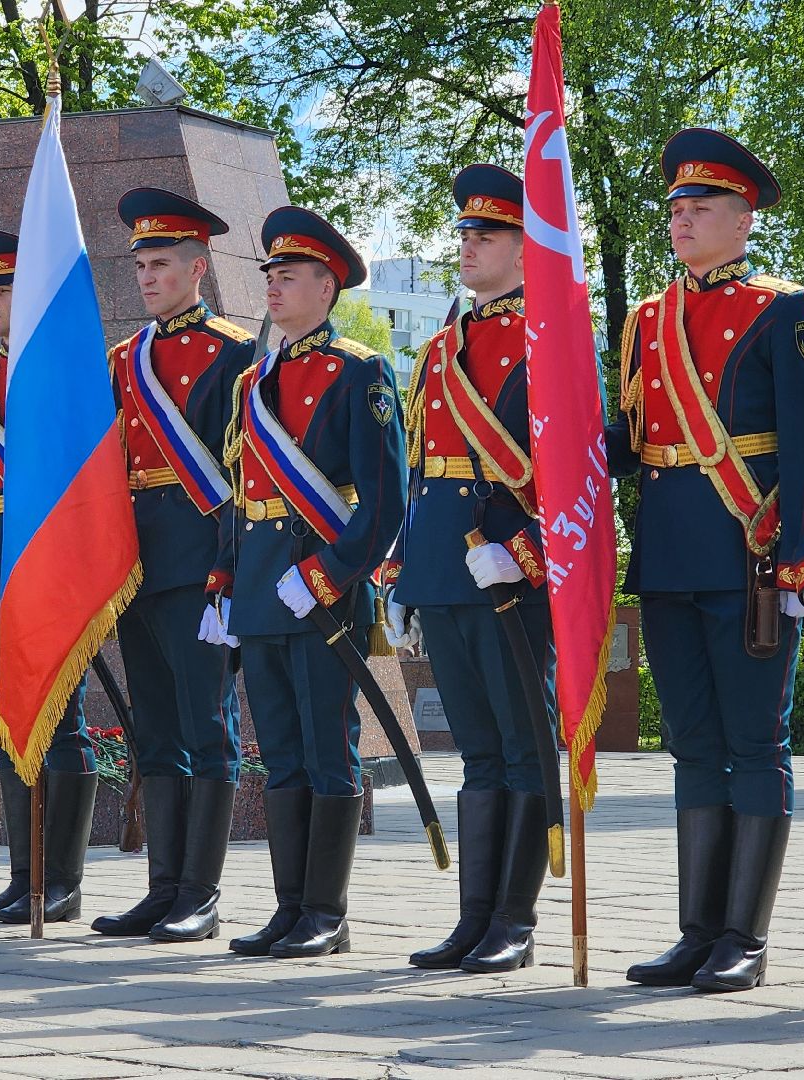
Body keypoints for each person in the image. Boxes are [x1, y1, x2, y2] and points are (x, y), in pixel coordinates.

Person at [605, 129, 804, 993]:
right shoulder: (649, 320)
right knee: (691, 745)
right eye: (676, 209)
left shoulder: (785, 310)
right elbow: (639, 438)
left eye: (702, 208)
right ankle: (697, 931)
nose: (683, 220)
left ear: (744, 221)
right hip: (665, 556)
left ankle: (746, 936)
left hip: (750, 555)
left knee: (753, 741)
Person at [207, 206, 405, 959]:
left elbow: (382, 500)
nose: (275, 289)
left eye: (289, 277)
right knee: (279, 752)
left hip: (321, 591)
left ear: (327, 288)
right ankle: (289, 908)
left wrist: (328, 573)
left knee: (328, 748)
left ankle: (327, 912)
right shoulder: (253, 383)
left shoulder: (361, 372)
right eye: (272, 277)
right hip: (261, 590)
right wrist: (225, 578)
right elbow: (240, 491)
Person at [382, 165, 553, 975]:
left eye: (488, 234)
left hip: (508, 575)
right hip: (447, 571)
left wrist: (522, 553)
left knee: (522, 749)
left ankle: (512, 923)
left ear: (528, 248)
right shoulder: (443, 345)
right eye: (465, 234)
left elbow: (573, 470)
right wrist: (406, 573)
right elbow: (421, 469)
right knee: (478, 754)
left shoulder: (549, 336)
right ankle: (473, 919)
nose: (470, 245)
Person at [90, 188, 251, 943]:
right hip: (136, 562)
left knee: (206, 729)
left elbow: (245, 480)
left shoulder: (234, 352)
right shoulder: (124, 359)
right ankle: (163, 887)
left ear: (199, 266)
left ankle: (201, 892)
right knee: (155, 731)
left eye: (162, 264)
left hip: (199, 563)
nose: (147, 277)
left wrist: (229, 575)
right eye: (141, 265)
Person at [0, 229, 100, 926]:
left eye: (6, 287)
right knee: (11, 724)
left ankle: (61, 881)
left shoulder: (65, 376)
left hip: (48, 566)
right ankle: (24, 874)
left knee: (60, 725)